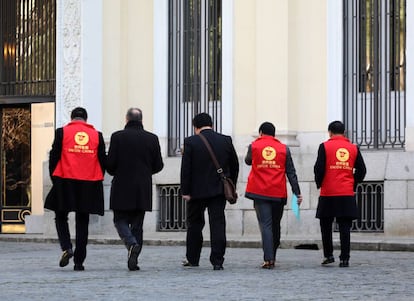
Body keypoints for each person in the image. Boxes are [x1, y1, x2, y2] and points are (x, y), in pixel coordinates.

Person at [44, 107, 106, 271]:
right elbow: (102, 161)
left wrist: (54, 179)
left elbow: (54, 156)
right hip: (88, 182)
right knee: (82, 222)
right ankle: (79, 262)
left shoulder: (61, 132)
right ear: (85, 119)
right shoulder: (97, 135)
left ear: (72, 118)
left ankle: (66, 247)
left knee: (60, 216)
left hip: (65, 180)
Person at [106, 108, 163, 271]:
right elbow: (158, 165)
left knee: (119, 220)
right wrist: (145, 171)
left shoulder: (117, 137)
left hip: (122, 185)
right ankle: (134, 259)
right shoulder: (152, 138)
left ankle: (131, 244)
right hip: (142, 186)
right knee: (137, 224)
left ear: (126, 119)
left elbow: (110, 165)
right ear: (141, 120)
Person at [180, 113, 239, 270]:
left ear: (196, 126)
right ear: (211, 124)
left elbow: (186, 169)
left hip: (195, 191)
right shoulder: (225, 140)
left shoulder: (190, 142)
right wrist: (231, 184)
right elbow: (234, 165)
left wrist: (185, 190)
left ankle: (193, 258)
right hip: (219, 190)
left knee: (194, 225)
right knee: (218, 224)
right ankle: (217, 261)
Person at [245, 122, 303, 269]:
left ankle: (268, 259)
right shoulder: (284, 149)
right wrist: (297, 192)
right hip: (278, 192)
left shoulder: (254, 146)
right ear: (274, 134)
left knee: (266, 225)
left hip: (260, 192)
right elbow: (291, 172)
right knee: (275, 225)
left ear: (260, 133)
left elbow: (247, 161)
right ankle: (273, 256)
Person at [314, 120, 366, 267]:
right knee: (344, 227)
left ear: (330, 132)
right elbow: (362, 170)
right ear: (344, 132)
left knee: (326, 225)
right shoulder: (353, 148)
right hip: (346, 192)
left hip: (328, 192)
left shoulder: (324, 146)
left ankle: (328, 255)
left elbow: (319, 168)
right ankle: (345, 258)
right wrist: (353, 182)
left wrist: (319, 183)